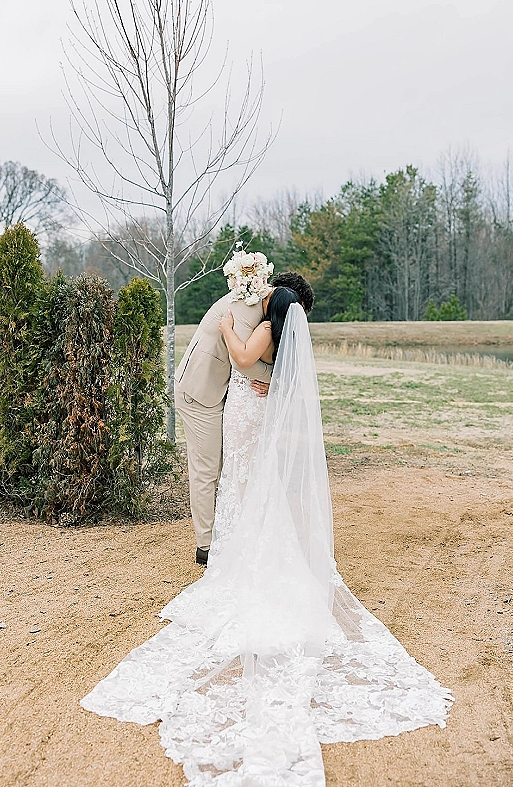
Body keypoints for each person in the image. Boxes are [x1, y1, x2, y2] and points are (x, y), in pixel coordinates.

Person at [81, 301, 453, 786]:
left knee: (241, 480)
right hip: (255, 408)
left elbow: (240, 357)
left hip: (247, 412)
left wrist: (223, 328)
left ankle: (239, 553)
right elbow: (283, 376)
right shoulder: (284, 335)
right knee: (252, 482)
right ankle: (246, 546)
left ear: (276, 305)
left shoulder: (263, 329)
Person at [175, 271, 314, 565]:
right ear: (281, 297)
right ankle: (206, 545)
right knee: (207, 470)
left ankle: (232, 533)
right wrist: (277, 378)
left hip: (227, 392)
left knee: (235, 468)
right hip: (200, 391)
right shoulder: (246, 309)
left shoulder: (263, 314)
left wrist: (276, 380)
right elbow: (244, 362)